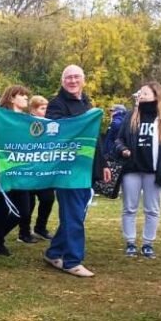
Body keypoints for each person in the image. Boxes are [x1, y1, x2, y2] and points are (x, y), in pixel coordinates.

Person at [43, 65, 110, 278]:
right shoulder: (56, 104)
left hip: (86, 169)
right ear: (63, 81)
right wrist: (84, 121)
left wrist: (103, 165)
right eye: (69, 77)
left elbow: (95, 141)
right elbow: (57, 133)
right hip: (68, 171)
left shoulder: (86, 103)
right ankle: (72, 260)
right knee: (74, 215)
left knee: (75, 214)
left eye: (76, 77)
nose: (73, 81)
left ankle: (54, 253)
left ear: (83, 80)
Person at [115, 81, 161, 259]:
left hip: (154, 171)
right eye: (140, 93)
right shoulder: (131, 116)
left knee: (152, 209)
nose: (140, 96)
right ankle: (130, 243)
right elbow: (118, 140)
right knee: (129, 208)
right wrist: (123, 150)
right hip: (132, 170)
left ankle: (148, 244)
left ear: (155, 96)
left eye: (145, 93)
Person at [0, 85, 38, 255]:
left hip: (22, 172)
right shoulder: (0, 116)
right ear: (11, 98)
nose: (26, 98)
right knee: (1, 210)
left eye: (26, 95)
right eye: (22, 95)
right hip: (4, 171)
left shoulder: (27, 119)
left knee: (23, 211)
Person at [22, 96, 55, 241]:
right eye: (42, 108)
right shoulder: (24, 123)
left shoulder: (50, 124)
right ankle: (24, 231)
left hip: (44, 171)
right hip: (29, 171)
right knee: (28, 203)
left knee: (48, 199)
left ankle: (40, 228)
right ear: (33, 109)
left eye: (46, 107)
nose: (45, 111)